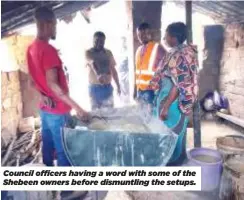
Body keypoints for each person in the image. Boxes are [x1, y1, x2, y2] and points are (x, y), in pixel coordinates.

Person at [27, 7, 90, 167]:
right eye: (55, 25)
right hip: (58, 111)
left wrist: (42, 96)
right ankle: (67, 190)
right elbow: (53, 85)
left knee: (47, 147)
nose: (55, 28)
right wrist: (79, 108)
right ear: (48, 24)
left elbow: (31, 82)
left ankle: (50, 188)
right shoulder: (48, 50)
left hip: (44, 109)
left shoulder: (31, 49)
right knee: (64, 150)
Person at [149, 22, 198, 165]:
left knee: (169, 132)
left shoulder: (178, 55)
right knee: (179, 130)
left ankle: (170, 162)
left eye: (166, 35)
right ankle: (179, 157)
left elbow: (178, 84)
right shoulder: (188, 51)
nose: (164, 38)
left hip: (172, 101)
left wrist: (165, 106)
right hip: (178, 100)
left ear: (174, 37)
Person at [85, 32, 121, 110]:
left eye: (101, 42)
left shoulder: (108, 53)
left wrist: (118, 85)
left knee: (109, 114)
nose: (99, 43)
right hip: (95, 88)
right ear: (93, 40)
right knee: (97, 115)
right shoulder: (88, 52)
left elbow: (113, 70)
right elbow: (92, 63)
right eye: (96, 41)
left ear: (104, 41)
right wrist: (98, 75)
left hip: (107, 88)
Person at [134, 22, 166, 108]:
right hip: (140, 90)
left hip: (152, 90)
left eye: (145, 34)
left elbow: (166, 67)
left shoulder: (157, 48)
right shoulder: (138, 50)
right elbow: (138, 73)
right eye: (139, 35)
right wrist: (136, 90)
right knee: (142, 116)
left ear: (150, 34)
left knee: (151, 116)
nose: (142, 37)